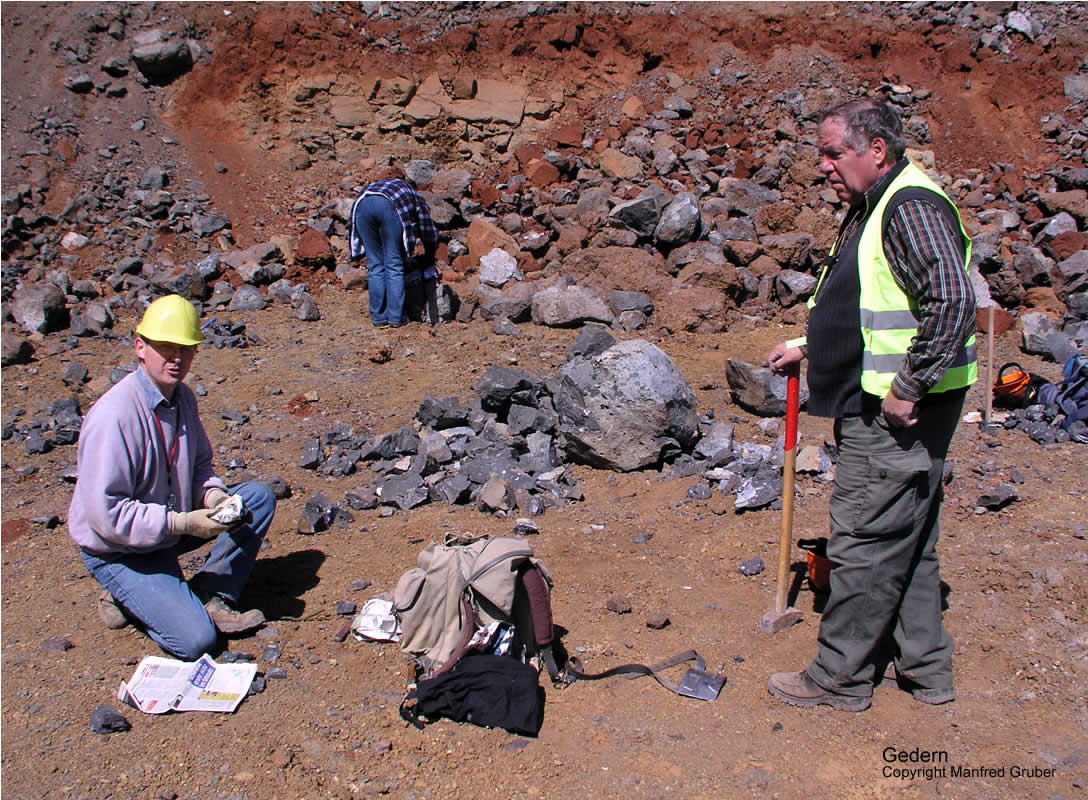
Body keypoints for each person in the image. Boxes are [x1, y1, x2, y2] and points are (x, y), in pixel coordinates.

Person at [765, 97, 977, 712]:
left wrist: (909, 385)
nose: (824, 166)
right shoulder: (879, 203)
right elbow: (873, 305)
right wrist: (808, 346)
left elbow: (952, 300)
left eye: (834, 153)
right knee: (909, 536)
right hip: (899, 405)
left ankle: (839, 677)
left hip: (896, 413)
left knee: (861, 541)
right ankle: (926, 669)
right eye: (822, 154)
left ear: (875, 150)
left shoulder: (909, 206)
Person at [68, 294, 276, 661]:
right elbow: (107, 517)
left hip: (169, 527)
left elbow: (199, 468)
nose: (176, 358)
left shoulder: (183, 399)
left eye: (185, 348)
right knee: (196, 641)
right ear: (140, 347)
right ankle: (126, 594)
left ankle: (212, 593)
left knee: (255, 499)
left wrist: (213, 499)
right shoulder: (113, 418)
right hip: (120, 551)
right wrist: (182, 522)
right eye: (165, 347)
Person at [348, 173, 438, 328]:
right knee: (394, 264)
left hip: (362, 206)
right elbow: (426, 226)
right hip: (387, 207)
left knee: (375, 265)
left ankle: (379, 317)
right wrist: (431, 251)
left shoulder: (379, 185)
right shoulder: (412, 194)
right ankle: (396, 317)